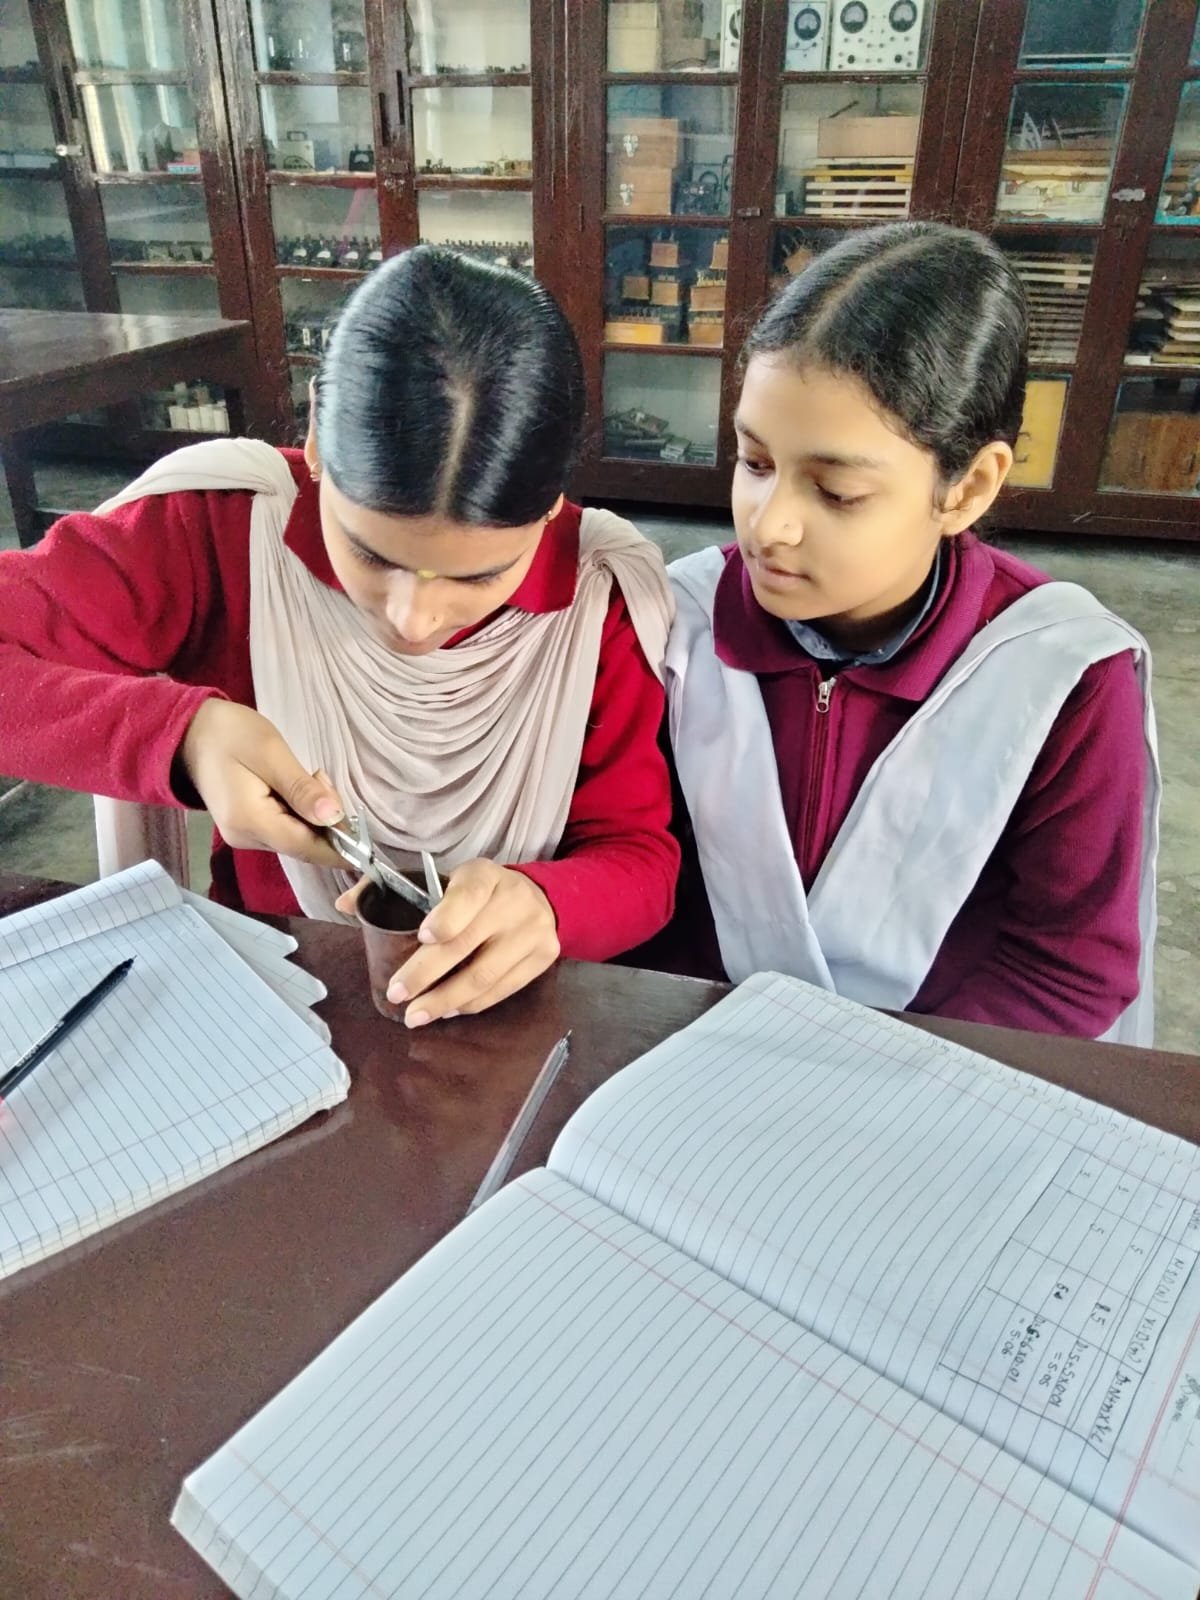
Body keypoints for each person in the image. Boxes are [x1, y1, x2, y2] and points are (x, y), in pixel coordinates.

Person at [0, 246, 679, 1026]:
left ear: (553, 502)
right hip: (274, 985)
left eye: (477, 577)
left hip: (516, 1015)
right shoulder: (219, 530)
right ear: (317, 440)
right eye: (371, 555)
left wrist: (550, 904)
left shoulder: (598, 600)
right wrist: (179, 737)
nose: (412, 620)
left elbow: (641, 862)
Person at [662, 221, 1159, 1043]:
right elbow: (641, 883)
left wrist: (876, 1084)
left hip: (936, 1070)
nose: (769, 525)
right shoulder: (678, 625)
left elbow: (1067, 973)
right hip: (698, 1047)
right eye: (755, 463)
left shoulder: (1060, 676)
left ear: (967, 488)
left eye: (837, 492)